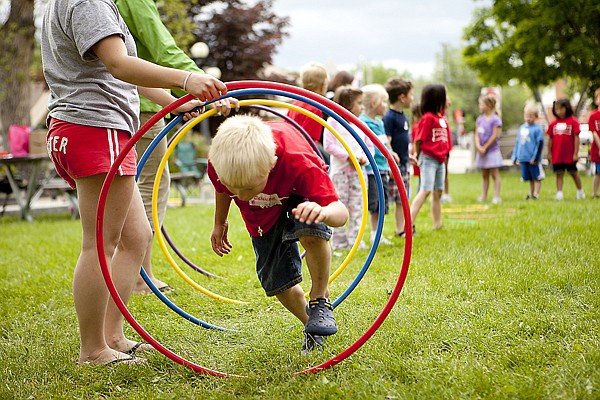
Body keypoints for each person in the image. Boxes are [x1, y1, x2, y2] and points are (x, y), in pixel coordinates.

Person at [41, 0, 227, 365]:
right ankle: (93, 350)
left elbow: (120, 74)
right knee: (100, 244)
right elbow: (118, 63)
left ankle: (111, 335)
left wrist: (175, 103)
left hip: (92, 127)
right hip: (96, 128)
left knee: (135, 238)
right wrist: (186, 78)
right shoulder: (88, 3)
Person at [115, 0, 237, 294]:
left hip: (135, 103)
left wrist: (175, 102)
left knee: (138, 186)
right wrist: (204, 85)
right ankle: (139, 274)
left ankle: (136, 271)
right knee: (149, 186)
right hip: (139, 110)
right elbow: (163, 50)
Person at [207, 115, 349, 355]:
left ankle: (319, 300)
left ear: (271, 164)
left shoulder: (298, 161)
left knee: (311, 230)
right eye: (235, 188)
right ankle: (311, 325)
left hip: (298, 190)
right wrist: (220, 222)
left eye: (249, 188)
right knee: (276, 281)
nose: (241, 196)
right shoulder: (220, 163)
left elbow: (341, 214)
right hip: (261, 214)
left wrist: (322, 211)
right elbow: (222, 189)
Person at [323, 86, 373, 251]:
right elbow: (329, 145)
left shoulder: (361, 124)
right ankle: (339, 241)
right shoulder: (333, 122)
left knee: (358, 206)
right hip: (340, 173)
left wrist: (364, 158)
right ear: (347, 105)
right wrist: (348, 156)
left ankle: (355, 240)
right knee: (340, 205)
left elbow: (369, 146)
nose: (363, 107)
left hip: (359, 173)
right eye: (359, 103)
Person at [359, 84, 399, 245]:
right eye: (383, 102)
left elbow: (384, 144)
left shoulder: (380, 123)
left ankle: (377, 234)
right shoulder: (362, 123)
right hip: (370, 170)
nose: (386, 106)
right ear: (374, 103)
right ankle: (373, 235)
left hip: (382, 169)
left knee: (382, 203)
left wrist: (391, 154)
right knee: (374, 204)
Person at [410, 84, 451, 233]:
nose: (448, 100)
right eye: (446, 96)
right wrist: (419, 156)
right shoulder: (427, 118)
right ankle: (408, 224)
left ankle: (437, 224)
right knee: (425, 190)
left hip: (440, 160)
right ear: (438, 99)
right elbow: (418, 140)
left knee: (438, 192)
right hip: (428, 159)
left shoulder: (442, 119)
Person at [383, 77, 414, 237]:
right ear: (402, 97)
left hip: (404, 162)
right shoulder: (389, 117)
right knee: (398, 198)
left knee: (403, 198)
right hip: (395, 165)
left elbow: (402, 140)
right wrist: (391, 154)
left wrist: (408, 155)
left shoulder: (404, 116)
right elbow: (387, 139)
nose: (413, 98)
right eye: (411, 94)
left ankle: (401, 229)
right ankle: (400, 228)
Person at [286, 62, 329, 163]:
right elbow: (311, 143)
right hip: (303, 156)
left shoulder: (296, 102)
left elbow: (286, 125)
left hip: (290, 149)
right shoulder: (315, 109)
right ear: (323, 86)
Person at [547, 98, 586, 200]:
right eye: (556, 109)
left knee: (574, 173)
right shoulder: (553, 124)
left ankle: (580, 191)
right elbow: (550, 139)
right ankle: (559, 193)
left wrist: (575, 153)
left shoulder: (573, 122)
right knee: (559, 173)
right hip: (557, 155)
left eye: (561, 109)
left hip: (569, 155)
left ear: (567, 108)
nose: (558, 111)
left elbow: (576, 138)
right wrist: (549, 153)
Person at [512, 103, 545, 199]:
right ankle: (531, 194)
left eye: (530, 116)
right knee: (530, 178)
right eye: (526, 116)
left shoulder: (537, 129)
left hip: (533, 158)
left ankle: (536, 194)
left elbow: (539, 143)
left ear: (536, 116)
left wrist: (535, 157)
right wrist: (515, 156)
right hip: (524, 158)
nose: (528, 118)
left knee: (536, 177)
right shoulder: (522, 128)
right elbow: (518, 143)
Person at [475, 94, 503, 204]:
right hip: (482, 152)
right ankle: (484, 195)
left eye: (481, 104)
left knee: (494, 174)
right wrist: (479, 147)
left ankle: (496, 196)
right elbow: (476, 134)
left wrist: (485, 147)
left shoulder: (495, 119)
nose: (479, 106)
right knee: (484, 175)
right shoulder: (479, 119)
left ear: (489, 105)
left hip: (492, 151)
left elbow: (495, 136)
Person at [587, 87, 600, 199]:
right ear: (596, 100)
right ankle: (595, 193)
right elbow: (594, 133)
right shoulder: (593, 116)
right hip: (597, 148)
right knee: (598, 172)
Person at [410, 103, 423, 192]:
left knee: (422, 176)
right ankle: (420, 192)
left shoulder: (417, 125)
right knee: (422, 175)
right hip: (418, 151)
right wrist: (416, 153)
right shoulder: (417, 126)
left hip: (417, 151)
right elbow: (415, 141)